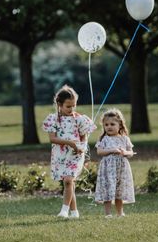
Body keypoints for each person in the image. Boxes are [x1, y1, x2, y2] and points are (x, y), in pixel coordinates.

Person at [42, 85, 96, 219]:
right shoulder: (52, 119)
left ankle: (64, 211)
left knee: (68, 180)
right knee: (68, 183)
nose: (72, 109)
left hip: (75, 155)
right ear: (59, 104)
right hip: (60, 155)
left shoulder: (79, 119)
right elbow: (52, 139)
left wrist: (80, 147)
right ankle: (74, 212)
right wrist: (70, 143)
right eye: (68, 106)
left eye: (74, 106)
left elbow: (84, 138)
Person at [94, 108, 135, 218]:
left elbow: (131, 152)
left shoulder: (124, 139)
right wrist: (112, 150)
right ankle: (108, 214)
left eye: (112, 124)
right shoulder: (104, 139)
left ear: (120, 125)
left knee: (119, 191)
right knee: (108, 190)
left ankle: (120, 213)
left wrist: (125, 152)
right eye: (106, 124)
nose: (109, 127)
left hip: (121, 168)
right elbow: (99, 151)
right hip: (108, 168)